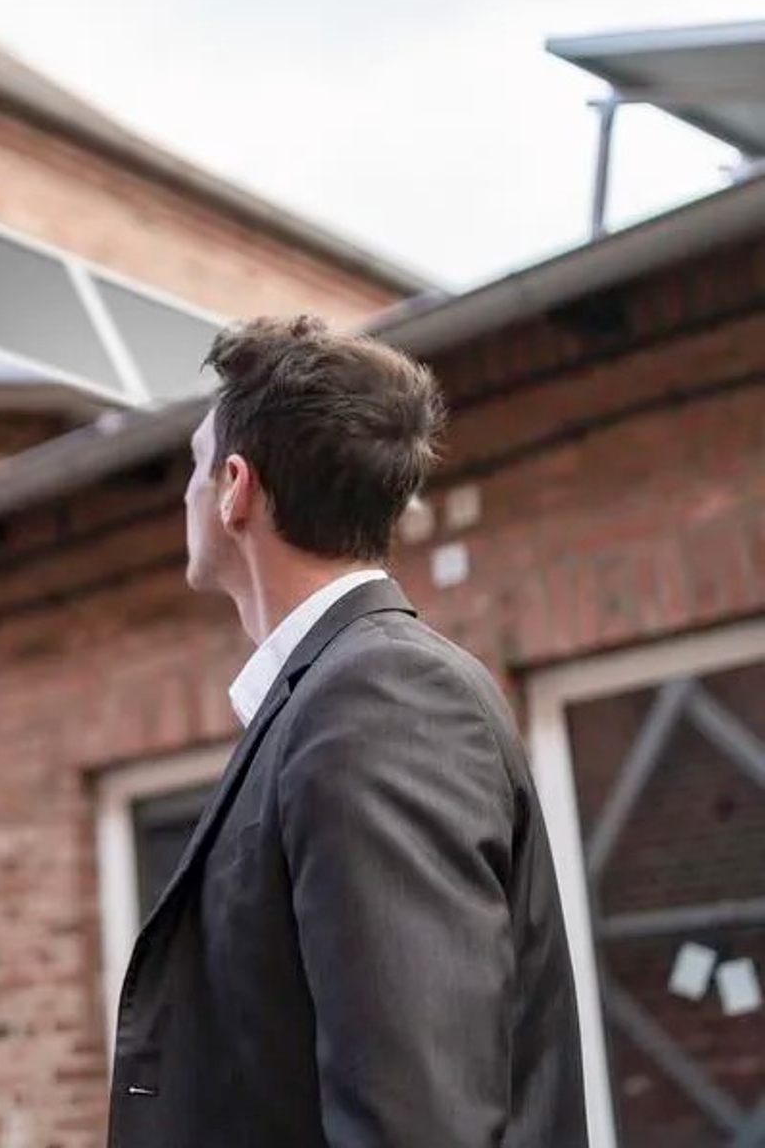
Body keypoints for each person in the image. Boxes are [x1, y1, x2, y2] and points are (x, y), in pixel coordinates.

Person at [107, 315, 588, 1147]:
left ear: (234, 487)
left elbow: (417, 1120)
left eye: (192, 469)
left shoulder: (380, 698)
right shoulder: (328, 699)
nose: (182, 496)